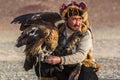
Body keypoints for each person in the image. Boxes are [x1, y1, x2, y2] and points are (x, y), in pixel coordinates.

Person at [44, 1, 99, 80]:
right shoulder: (57, 31)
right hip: (62, 67)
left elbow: (81, 55)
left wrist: (59, 60)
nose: (78, 23)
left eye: (80, 19)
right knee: (44, 66)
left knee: (86, 72)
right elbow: (47, 48)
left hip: (80, 66)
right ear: (66, 19)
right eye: (74, 19)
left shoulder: (85, 33)